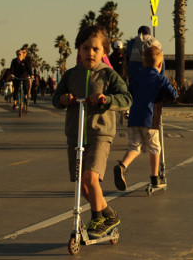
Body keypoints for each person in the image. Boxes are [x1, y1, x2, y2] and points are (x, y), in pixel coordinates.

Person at [52, 25, 132, 239]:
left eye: (96, 49)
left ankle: (97, 219)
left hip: (100, 135)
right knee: (83, 185)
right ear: (78, 50)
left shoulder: (109, 75)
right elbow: (56, 99)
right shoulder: (70, 75)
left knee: (90, 178)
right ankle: (110, 215)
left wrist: (107, 100)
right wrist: (63, 100)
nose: (90, 53)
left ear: (104, 51)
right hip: (75, 136)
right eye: (86, 48)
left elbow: (126, 98)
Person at [114, 46, 177, 192]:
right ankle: (155, 178)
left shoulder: (136, 80)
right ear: (160, 65)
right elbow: (173, 95)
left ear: (143, 63)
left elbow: (128, 96)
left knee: (134, 147)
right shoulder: (161, 79)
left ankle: (122, 166)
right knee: (155, 149)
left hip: (134, 119)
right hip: (151, 120)